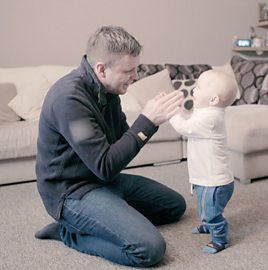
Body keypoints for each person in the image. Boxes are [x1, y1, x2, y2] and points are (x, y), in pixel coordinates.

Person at [34, 25, 186, 267]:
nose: (135, 76)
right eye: (129, 70)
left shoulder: (108, 89)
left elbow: (120, 144)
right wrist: (147, 122)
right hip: (73, 192)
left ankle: (104, 215)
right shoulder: (69, 101)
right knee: (149, 249)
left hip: (104, 182)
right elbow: (105, 165)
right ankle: (69, 232)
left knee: (174, 206)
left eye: (136, 69)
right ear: (101, 69)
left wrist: (148, 120)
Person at [169, 70, 238, 254]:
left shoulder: (211, 118)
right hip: (204, 177)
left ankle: (219, 238)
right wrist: (179, 108)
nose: (194, 90)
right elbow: (190, 117)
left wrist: (170, 113)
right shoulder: (205, 112)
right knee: (203, 205)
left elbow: (184, 127)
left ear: (214, 99)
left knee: (211, 210)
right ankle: (207, 224)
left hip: (214, 181)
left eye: (199, 87)